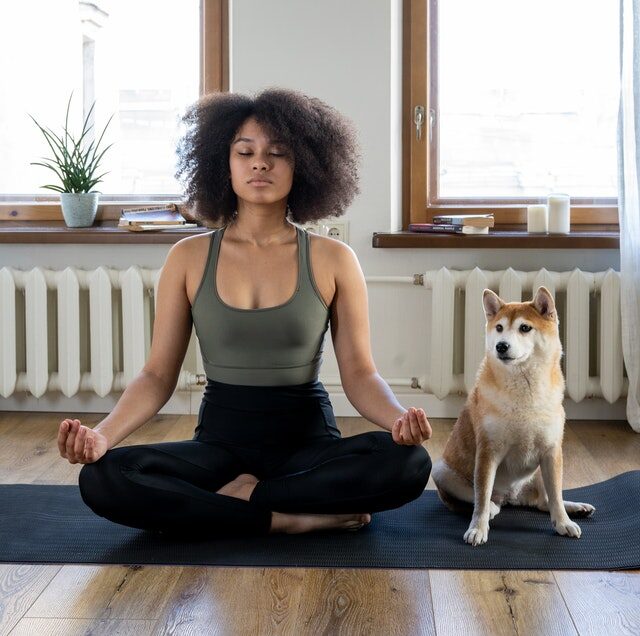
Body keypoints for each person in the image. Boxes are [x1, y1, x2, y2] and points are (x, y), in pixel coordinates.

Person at [58, 87, 433, 537]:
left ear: (305, 167)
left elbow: (359, 374)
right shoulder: (188, 257)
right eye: (245, 152)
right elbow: (158, 376)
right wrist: (102, 436)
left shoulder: (334, 258)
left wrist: (397, 421)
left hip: (307, 444)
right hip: (220, 445)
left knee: (410, 463)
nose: (260, 163)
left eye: (277, 153)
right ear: (224, 163)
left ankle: (242, 502)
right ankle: (283, 517)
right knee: (103, 477)